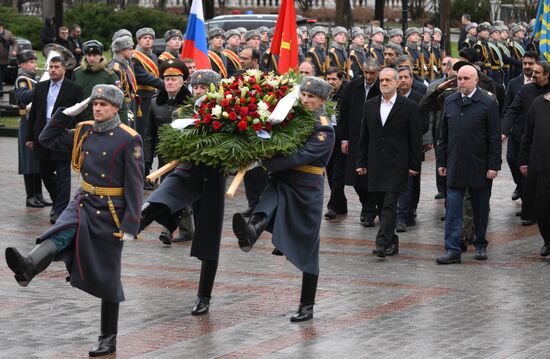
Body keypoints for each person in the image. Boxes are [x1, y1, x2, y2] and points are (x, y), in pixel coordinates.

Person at [5, 84, 144, 357]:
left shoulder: (129, 138)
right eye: (94, 104)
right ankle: (28, 266)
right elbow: (46, 139)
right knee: (61, 232)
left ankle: (108, 338)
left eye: (103, 104)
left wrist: (131, 224)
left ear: (115, 108)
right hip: (83, 200)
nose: (97, 108)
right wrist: (66, 113)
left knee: (108, 275)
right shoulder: (85, 130)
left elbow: (136, 185)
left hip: (110, 210)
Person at [232, 76, 335, 322]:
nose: (306, 100)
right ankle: (249, 233)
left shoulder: (324, 127)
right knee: (265, 203)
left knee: (308, 247)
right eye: (304, 95)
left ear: (322, 100)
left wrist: (264, 160)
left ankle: (306, 305)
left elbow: (300, 156)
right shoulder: (292, 118)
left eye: (312, 96)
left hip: (306, 187)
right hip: (282, 179)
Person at [139, 70, 226, 316]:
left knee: (209, 237)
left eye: (203, 87)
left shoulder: (229, 112)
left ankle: (203, 296)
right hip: (187, 169)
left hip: (213, 177)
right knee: (161, 198)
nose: (198, 91)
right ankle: (132, 227)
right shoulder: (186, 111)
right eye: (196, 87)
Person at [436, 63, 501, 264]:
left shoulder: (488, 103)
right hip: (455, 164)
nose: (461, 82)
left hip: (479, 166)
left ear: (476, 80)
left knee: (480, 208)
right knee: (453, 209)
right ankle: (452, 249)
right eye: (459, 78)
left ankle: (480, 243)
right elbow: (443, 135)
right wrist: (442, 161)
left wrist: (493, 166)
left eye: (466, 79)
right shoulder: (451, 101)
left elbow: (494, 137)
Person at [356, 67, 422, 258]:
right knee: (379, 204)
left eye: (388, 80)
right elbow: (364, 136)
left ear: (396, 83)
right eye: (381, 80)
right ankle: (392, 240)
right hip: (375, 163)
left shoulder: (408, 107)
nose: (384, 83)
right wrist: (361, 161)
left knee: (389, 204)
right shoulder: (370, 105)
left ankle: (382, 243)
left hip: (397, 164)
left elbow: (414, 139)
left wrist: (414, 165)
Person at [26, 56, 84, 224]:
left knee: (63, 175)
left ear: (64, 69)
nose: (52, 70)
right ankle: (59, 201)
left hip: (62, 137)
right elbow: (34, 113)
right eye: (50, 67)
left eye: (56, 67)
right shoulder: (41, 87)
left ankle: (59, 210)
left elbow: (80, 115)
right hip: (42, 135)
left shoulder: (74, 89)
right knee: (44, 172)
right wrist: (30, 136)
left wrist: (77, 136)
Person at [144, 59, 193, 244]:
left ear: (182, 81)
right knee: (168, 190)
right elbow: (149, 134)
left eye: (174, 79)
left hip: (187, 155)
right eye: (166, 79)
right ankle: (177, 229)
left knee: (182, 191)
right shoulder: (155, 102)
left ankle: (171, 228)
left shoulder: (191, 102)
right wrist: (146, 163)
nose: (169, 82)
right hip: (165, 157)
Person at [340, 58, 381, 227]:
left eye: (372, 73)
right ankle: (367, 205)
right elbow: (344, 112)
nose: (369, 76)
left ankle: (370, 210)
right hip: (355, 136)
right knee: (356, 177)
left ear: (378, 71)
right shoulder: (353, 86)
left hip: (375, 138)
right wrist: (344, 137)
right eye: (366, 72)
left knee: (371, 176)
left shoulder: (382, 86)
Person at [395, 66, 430, 233]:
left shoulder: (418, 98)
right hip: (393, 148)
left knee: (412, 182)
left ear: (411, 80)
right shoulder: (390, 98)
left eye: (406, 77)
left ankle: (407, 212)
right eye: (400, 77)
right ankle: (400, 215)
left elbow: (424, 123)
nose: (403, 80)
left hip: (412, 146)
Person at [15, 50, 50, 208]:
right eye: (31, 62)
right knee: (29, 161)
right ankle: (30, 196)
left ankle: (39, 195)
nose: (35, 65)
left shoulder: (34, 80)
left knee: (37, 160)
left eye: (35, 62)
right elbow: (25, 97)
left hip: (37, 122)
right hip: (27, 122)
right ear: (22, 65)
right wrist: (43, 85)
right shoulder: (21, 80)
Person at [502, 51, 537, 204]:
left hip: (533, 133)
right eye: (525, 63)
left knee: (528, 165)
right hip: (516, 131)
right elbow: (507, 107)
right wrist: (505, 129)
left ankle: (527, 199)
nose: (527, 66)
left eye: (530, 63)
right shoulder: (514, 83)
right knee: (511, 159)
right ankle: (519, 185)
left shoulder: (541, 83)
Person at [519, 90, 550, 256]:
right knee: (542, 207)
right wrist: (524, 160)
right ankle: (547, 240)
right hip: (541, 164)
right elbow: (528, 134)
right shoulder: (538, 103)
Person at [72, 40, 122, 121]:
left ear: (101, 56)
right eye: (88, 55)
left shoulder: (109, 75)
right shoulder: (77, 73)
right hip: (79, 119)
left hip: (103, 120)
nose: (91, 59)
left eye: (95, 55)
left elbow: (120, 102)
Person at [324, 67, 348, 219]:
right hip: (327, 139)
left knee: (339, 174)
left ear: (341, 80)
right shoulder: (324, 94)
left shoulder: (346, 94)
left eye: (334, 79)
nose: (331, 82)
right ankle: (341, 204)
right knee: (331, 172)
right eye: (329, 79)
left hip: (341, 138)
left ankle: (332, 205)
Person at [132, 27, 164, 138]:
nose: (148, 40)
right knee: (142, 128)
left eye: (150, 38)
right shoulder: (134, 57)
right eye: (145, 38)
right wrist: (165, 85)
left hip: (154, 96)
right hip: (141, 97)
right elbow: (144, 77)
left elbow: (157, 74)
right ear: (138, 40)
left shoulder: (154, 56)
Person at [108, 36, 137, 125]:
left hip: (130, 102)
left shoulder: (125, 64)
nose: (133, 52)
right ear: (121, 50)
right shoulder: (115, 67)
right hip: (122, 106)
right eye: (130, 49)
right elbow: (116, 93)